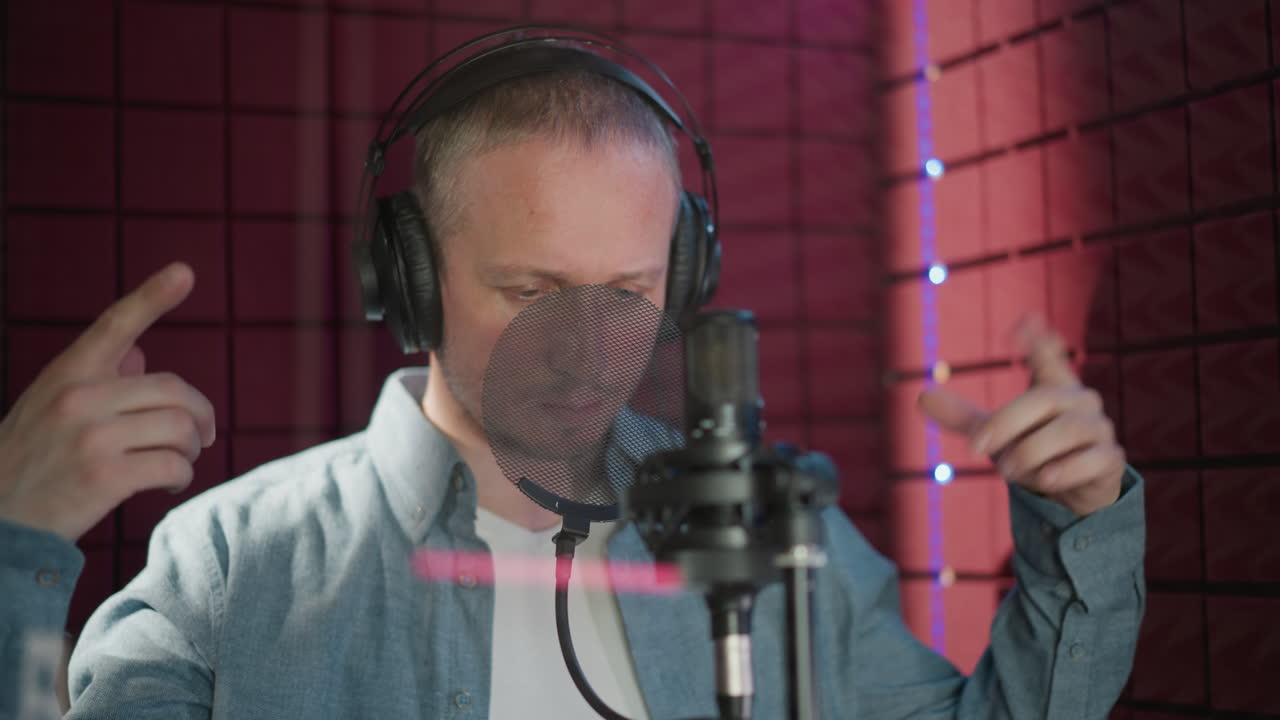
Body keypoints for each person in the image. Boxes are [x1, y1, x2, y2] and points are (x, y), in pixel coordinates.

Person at [0, 29, 1144, 720]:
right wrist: (19, 539)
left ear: (685, 276)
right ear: (405, 279)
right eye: (532, 291)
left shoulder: (769, 532)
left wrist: (1073, 525)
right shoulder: (228, 564)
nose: (586, 348)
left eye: (628, 294)